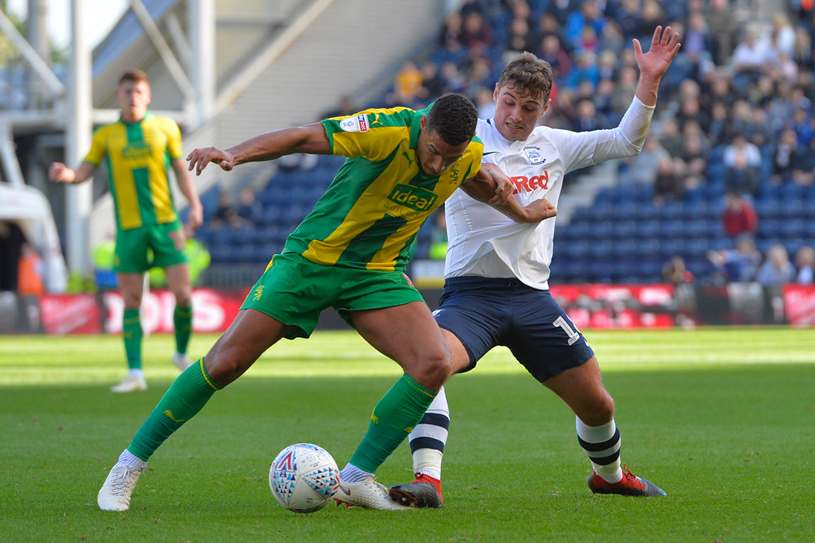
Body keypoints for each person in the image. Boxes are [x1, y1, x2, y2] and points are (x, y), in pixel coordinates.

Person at [95, 93, 557, 513]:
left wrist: (522, 213)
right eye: (433, 152)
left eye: (449, 157)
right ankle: (127, 466)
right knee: (225, 362)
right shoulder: (387, 130)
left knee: (434, 361)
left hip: (376, 274)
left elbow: (477, 180)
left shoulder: (464, 153)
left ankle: (356, 479)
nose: (437, 166)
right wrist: (235, 153)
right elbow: (302, 136)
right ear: (423, 130)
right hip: (312, 261)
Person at [388, 26, 680, 509]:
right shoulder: (465, 139)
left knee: (598, 403)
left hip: (532, 300)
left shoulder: (554, 146)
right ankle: (428, 481)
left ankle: (608, 476)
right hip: (471, 297)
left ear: (545, 106)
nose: (514, 116)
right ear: (495, 95)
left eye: (528, 108)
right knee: (428, 364)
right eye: (508, 102)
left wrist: (648, 80)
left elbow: (626, 141)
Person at [49, 69, 203, 392]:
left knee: (184, 295)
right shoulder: (106, 136)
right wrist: (67, 174)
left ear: (147, 96)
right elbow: (83, 172)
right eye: (127, 91)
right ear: (118, 96)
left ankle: (180, 354)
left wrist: (195, 204)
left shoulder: (165, 128)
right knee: (131, 299)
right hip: (129, 229)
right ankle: (135, 373)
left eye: (138, 92)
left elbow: (179, 170)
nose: (132, 96)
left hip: (166, 224)